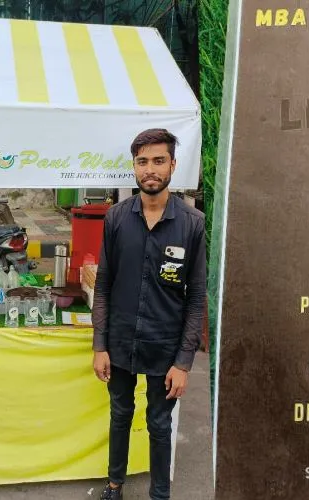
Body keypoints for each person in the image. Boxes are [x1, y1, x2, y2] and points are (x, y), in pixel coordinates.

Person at [92, 128, 206, 500]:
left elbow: (196, 298)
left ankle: (160, 495)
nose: (150, 169)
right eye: (143, 162)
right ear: (135, 167)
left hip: (165, 346)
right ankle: (114, 485)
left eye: (159, 160)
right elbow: (104, 284)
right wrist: (100, 345)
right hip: (120, 341)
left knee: (159, 424)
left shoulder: (191, 224)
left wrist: (184, 362)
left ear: (173, 165)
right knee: (120, 414)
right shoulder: (116, 219)